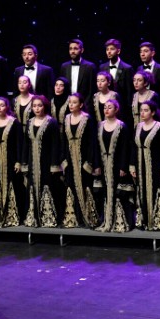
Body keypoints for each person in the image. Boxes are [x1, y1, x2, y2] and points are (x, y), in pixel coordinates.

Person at [130, 100, 160, 231]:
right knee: (142, 191)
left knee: (157, 190)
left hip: (156, 166)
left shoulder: (159, 127)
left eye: (146, 110)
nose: (142, 113)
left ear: (153, 112)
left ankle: (159, 221)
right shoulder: (138, 127)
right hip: (141, 165)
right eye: (141, 110)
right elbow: (134, 147)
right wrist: (132, 165)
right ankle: (143, 220)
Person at [22, 94, 64, 228]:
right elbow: (26, 143)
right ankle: (34, 217)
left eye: (39, 105)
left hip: (46, 162)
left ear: (45, 106)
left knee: (48, 187)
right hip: (32, 161)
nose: (37, 108)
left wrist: (54, 164)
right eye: (34, 106)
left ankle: (47, 217)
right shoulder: (29, 122)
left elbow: (55, 144)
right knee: (32, 187)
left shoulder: (51, 122)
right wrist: (24, 163)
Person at [94, 99, 135, 232]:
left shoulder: (122, 126)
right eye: (105, 107)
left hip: (117, 165)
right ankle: (106, 221)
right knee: (106, 192)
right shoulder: (100, 125)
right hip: (104, 164)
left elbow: (125, 148)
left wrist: (123, 166)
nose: (106, 110)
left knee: (119, 193)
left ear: (116, 110)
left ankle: (120, 222)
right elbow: (96, 147)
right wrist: (97, 165)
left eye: (110, 107)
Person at [61, 92, 99, 228]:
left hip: (83, 160)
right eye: (70, 102)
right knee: (71, 186)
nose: (71, 105)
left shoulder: (87, 119)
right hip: (70, 159)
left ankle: (88, 217)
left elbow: (92, 142)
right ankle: (74, 218)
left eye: (74, 102)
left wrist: (89, 162)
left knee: (85, 186)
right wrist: (64, 160)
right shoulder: (66, 118)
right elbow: (64, 140)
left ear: (81, 104)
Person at [0, 97, 26, 227]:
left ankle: (13, 215)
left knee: (13, 186)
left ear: (7, 107)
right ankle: (0, 215)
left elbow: (20, 143)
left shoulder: (14, 123)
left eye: (2, 105)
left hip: (11, 160)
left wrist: (19, 161)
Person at [98, 38, 134, 106]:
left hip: (122, 105)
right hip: (106, 105)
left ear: (118, 51)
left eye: (112, 49)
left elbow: (129, 92)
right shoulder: (102, 67)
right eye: (107, 49)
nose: (109, 51)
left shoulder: (127, 68)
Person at [137, 41, 160, 111]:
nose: (142, 54)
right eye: (141, 52)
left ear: (152, 53)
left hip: (157, 106)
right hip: (142, 106)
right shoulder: (139, 68)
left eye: (145, 51)